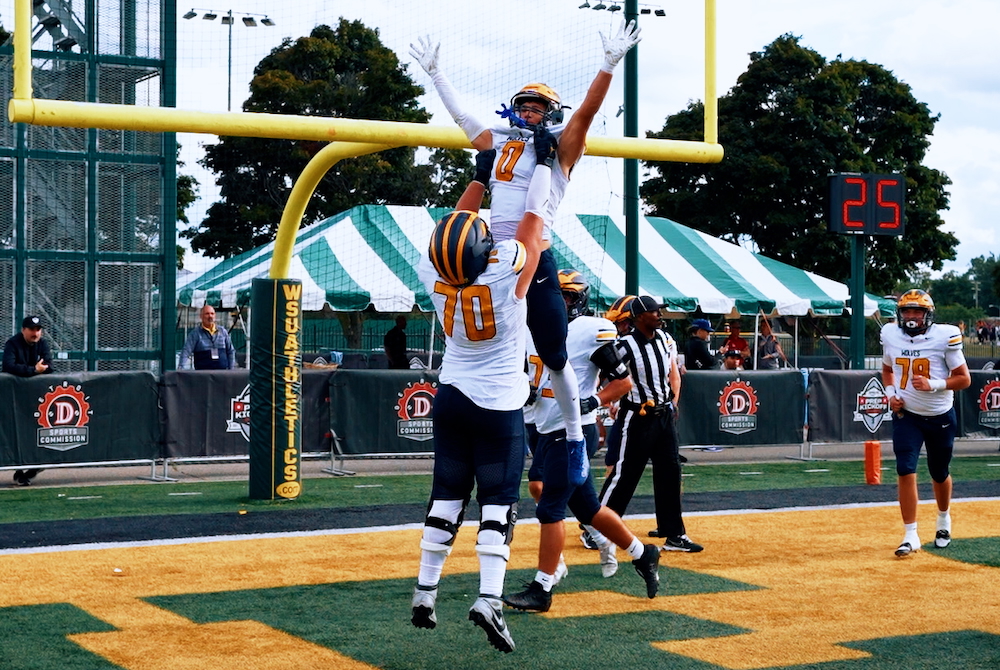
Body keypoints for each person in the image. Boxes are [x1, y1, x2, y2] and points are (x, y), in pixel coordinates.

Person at [410, 19, 641, 473]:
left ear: (550, 113)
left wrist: (609, 66)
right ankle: (493, 421)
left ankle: (575, 437)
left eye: (538, 108)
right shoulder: (499, 142)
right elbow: (463, 121)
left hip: (534, 253)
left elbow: (586, 116)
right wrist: (436, 74)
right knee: (489, 345)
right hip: (491, 257)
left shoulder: (560, 145)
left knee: (554, 353)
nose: (530, 113)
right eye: (526, 106)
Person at [409, 132, 551, 654]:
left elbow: (449, 232)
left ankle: (426, 591)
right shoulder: (502, 271)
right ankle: (488, 598)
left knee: (447, 495)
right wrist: (543, 170)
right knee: (498, 503)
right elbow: (533, 227)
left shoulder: (434, 273)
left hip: (450, 397)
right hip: (497, 404)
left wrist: (478, 176)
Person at [505, 272, 660, 613]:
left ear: (580, 301)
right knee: (588, 509)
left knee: (550, 507)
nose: (559, 304)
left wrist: (593, 401)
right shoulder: (530, 327)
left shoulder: (590, 330)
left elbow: (623, 382)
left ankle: (542, 588)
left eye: (567, 297)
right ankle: (643, 553)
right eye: (555, 297)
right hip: (547, 428)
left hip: (574, 431)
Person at [599, 295, 703, 553]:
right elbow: (601, 370)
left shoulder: (662, 341)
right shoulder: (624, 344)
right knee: (625, 475)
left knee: (670, 473)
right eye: (654, 312)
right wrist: (607, 398)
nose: (659, 315)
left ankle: (674, 534)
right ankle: (597, 528)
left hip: (663, 415)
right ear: (639, 316)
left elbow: (671, 375)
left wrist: (671, 403)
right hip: (638, 416)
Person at [880, 289, 971, 558]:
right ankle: (910, 535)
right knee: (905, 468)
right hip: (907, 415)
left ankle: (943, 520)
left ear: (928, 315)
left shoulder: (944, 337)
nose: (910, 316)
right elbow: (887, 370)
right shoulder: (890, 334)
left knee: (939, 472)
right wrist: (890, 395)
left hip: (940, 415)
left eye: (916, 311)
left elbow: (964, 379)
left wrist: (934, 384)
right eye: (906, 311)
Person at [3, 315, 53, 486]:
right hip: (14, 398)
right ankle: (18, 471)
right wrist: (33, 370)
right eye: (31, 329)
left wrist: (36, 370)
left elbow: (49, 366)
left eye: (38, 330)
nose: (35, 333)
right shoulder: (13, 343)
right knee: (15, 434)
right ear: (23, 330)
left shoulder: (43, 344)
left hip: (36, 398)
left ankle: (31, 469)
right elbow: (9, 366)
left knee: (38, 433)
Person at [178, 305, 236, 370]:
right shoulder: (195, 334)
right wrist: (181, 367)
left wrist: (231, 369)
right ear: (201, 316)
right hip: (203, 375)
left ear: (215, 316)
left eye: (212, 313)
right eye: (207, 314)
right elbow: (186, 351)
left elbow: (230, 351)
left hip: (222, 373)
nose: (210, 316)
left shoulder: (223, 331)